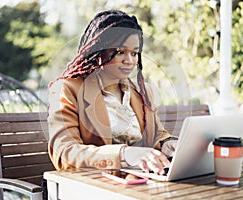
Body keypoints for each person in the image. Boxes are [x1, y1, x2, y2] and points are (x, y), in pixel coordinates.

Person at [47, 9, 178, 175]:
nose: (129, 61)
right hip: (94, 185)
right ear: (99, 51)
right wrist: (124, 154)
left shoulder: (142, 91)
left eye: (134, 53)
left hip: (141, 180)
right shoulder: (67, 89)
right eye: (120, 52)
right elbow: (65, 152)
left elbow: (157, 133)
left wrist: (166, 142)